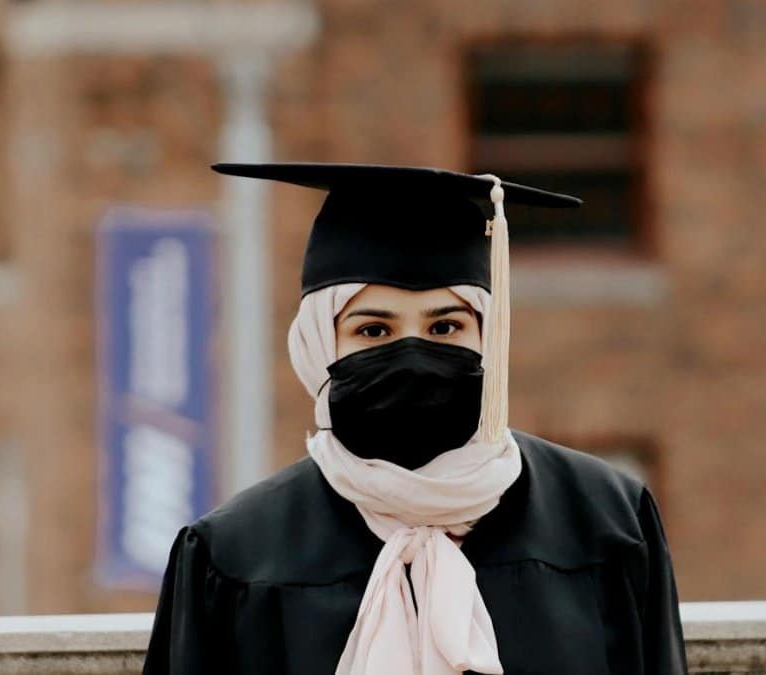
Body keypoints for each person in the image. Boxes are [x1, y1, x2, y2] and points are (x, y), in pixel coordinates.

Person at [142, 163, 688, 675]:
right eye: (373, 331)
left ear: (488, 336)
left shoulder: (605, 521)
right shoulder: (235, 554)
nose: (412, 354)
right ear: (317, 345)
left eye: (445, 328)